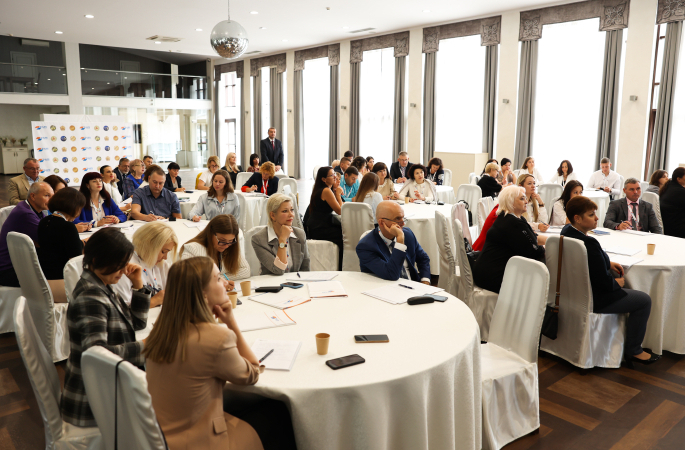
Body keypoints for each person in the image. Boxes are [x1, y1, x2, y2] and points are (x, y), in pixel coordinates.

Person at [144, 257, 297, 450]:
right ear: (203, 295)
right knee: (279, 411)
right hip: (199, 441)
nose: (225, 283)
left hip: (159, 438)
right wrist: (231, 323)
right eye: (218, 279)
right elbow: (252, 373)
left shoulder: (160, 332)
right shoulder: (215, 338)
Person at [60, 227, 152, 427]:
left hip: (103, 388)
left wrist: (138, 284)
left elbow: (136, 323)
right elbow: (97, 355)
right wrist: (148, 347)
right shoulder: (91, 295)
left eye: (124, 264)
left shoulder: (100, 285)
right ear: (96, 261)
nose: (124, 271)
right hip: (92, 402)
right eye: (119, 265)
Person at [561, 196, 658, 366]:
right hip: (596, 298)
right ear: (577, 218)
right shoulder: (589, 243)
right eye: (591, 215)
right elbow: (602, 282)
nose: (596, 218)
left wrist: (607, 262)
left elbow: (588, 264)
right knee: (644, 301)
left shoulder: (566, 232)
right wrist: (617, 284)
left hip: (571, 293)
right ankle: (634, 350)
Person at [472, 186, 547, 293]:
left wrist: (547, 242)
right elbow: (533, 251)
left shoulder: (509, 218)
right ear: (511, 202)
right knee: (538, 275)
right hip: (492, 277)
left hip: (485, 271)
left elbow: (532, 238)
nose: (526, 201)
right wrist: (546, 248)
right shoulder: (512, 223)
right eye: (522, 199)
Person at [356, 200, 431, 283]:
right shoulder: (366, 246)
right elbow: (392, 274)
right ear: (382, 222)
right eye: (397, 219)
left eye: (403, 218)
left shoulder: (408, 234)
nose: (403, 223)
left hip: (412, 285)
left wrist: (425, 281)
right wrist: (400, 241)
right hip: (385, 287)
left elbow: (423, 259)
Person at [37, 188, 87, 303]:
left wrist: (80, 243)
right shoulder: (68, 227)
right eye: (80, 208)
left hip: (43, 281)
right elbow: (76, 260)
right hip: (62, 284)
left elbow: (57, 245)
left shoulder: (44, 221)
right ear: (74, 207)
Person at [0, 182, 54, 287]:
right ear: (33, 196)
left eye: (53, 196)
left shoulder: (33, 209)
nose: (51, 200)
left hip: (16, 265)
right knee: (57, 271)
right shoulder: (25, 214)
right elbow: (48, 240)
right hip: (9, 271)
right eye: (47, 195)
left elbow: (47, 233)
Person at [113, 222, 177, 308]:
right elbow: (123, 307)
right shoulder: (126, 266)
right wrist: (154, 301)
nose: (165, 257)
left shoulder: (161, 265)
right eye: (163, 252)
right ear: (149, 246)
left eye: (167, 252)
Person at [252, 194, 310, 275]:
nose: (291, 214)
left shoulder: (299, 234)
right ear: (273, 215)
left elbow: (305, 269)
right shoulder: (259, 239)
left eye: (292, 210)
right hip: (272, 282)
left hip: (295, 281)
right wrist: (282, 239)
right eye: (285, 211)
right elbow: (278, 270)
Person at [181, 214, 249, 281]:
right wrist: (218, 280)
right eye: (222, 240)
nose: (226, 246)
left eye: (230, 241)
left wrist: (221, 279)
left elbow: (246, 270)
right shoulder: (192, 249)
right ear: (210, 233)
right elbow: (185, 278)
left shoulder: (231, 247)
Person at [307, 166, 344, 269]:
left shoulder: (323, 189)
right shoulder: (326, 191)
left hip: (317, 224)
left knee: (342, 231)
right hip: (319, 227)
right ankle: (340, 266)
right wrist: (338, 195)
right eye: (332, 175)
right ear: (324, 179)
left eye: (335, 174)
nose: (335, 177)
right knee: (344, 236)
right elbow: (340, 211)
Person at [659, 167, 685, 238]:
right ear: (678, 179)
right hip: (677, 229)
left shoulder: (668, 187)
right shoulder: (680, 192)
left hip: (668, 226)